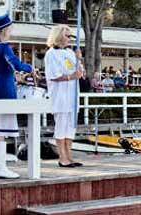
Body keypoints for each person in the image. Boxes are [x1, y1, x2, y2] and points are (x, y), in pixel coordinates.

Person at [0, 14, 34, 179]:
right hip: (4, 92)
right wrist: (29, 68)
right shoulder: (4, 46)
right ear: (5, 29)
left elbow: (0, 70)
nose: (13, 29)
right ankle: (0, 169)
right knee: (1, 131)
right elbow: (15, 63)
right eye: (11, 27)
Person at [44, 24, 85, 168]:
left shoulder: (69, 52)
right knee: (61, 127)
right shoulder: (51, 54)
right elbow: (53, 75)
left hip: (72, 96)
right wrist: (71, 76)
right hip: (60, 96)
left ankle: (69, 156)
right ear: (59, 36)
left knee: (70, 127)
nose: (70, 39)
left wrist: (79, 60)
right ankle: (62, 157)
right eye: (67, 36)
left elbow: (79, 72)